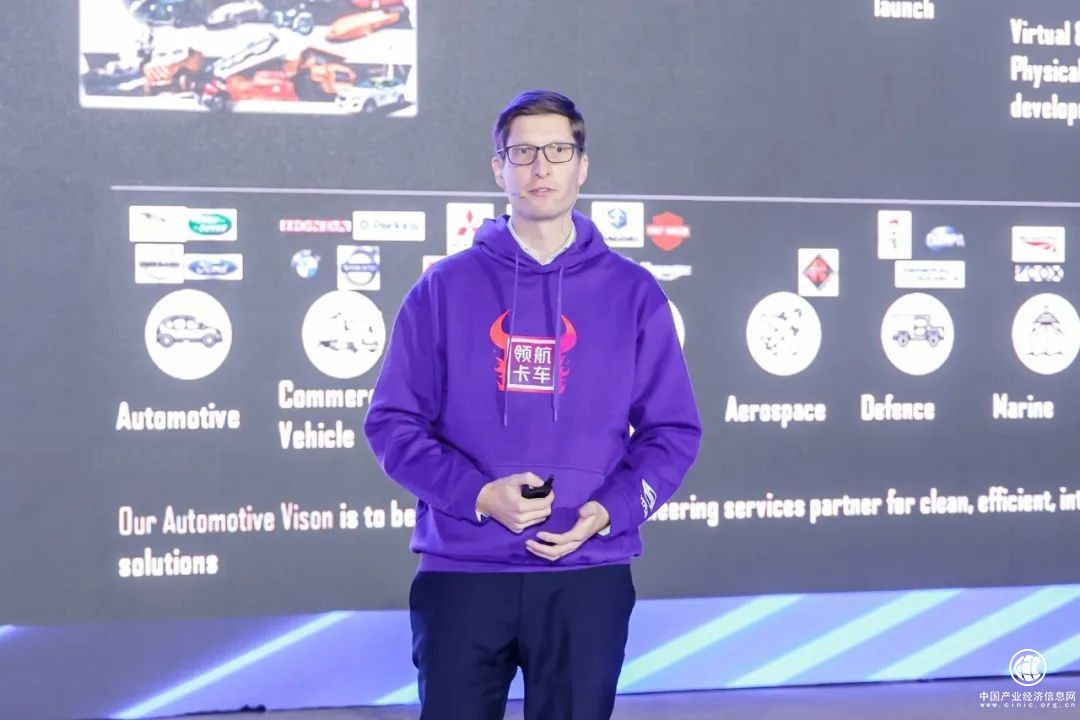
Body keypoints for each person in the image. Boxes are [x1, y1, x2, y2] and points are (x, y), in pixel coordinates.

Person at [363, 89, 702, 720]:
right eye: (522, 153)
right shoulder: (443, 288)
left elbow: (673, 432)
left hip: (586, 571)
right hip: (463, 570)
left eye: (557, 151)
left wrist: (609, 512)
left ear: (582, 166)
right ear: (499, 169)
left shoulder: (633, 292)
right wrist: (477, 495)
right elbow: (392, 424)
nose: (540, 167)